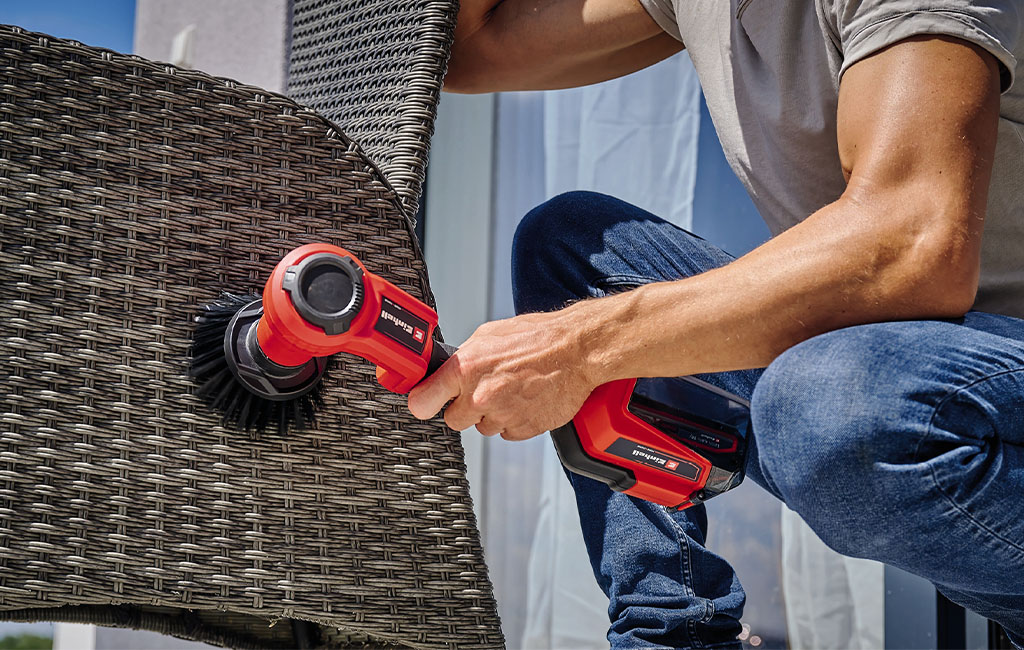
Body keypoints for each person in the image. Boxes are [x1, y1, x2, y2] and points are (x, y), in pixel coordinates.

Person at [408, 1, 1024, 647]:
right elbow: (470, 48)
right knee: (570, 252)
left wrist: (582, 347)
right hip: (898, 369)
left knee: (823, 398)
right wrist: (583, 338)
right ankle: (671, 636)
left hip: (986, 373)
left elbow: (915, 245)